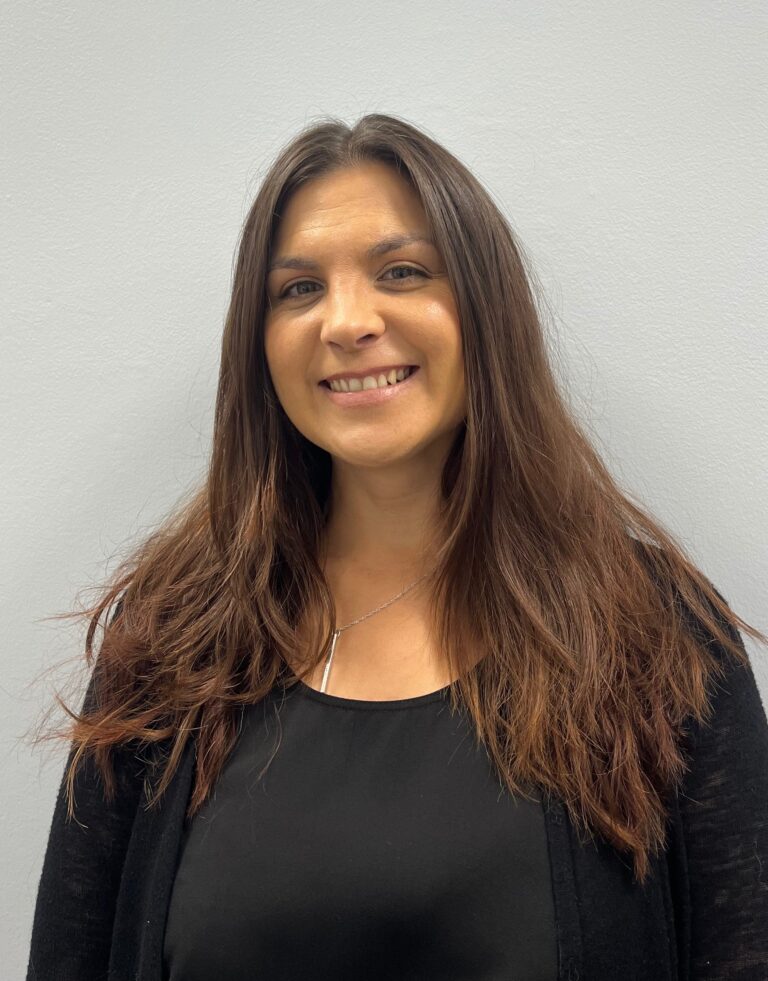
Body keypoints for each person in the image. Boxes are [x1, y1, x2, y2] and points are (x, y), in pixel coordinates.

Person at [26, 113, 768, 981]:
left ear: (487, 312)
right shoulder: (166, 645)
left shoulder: (659, 639)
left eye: (402, 272)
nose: (347, 321)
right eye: (298, 289)